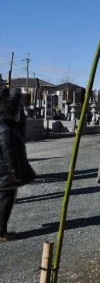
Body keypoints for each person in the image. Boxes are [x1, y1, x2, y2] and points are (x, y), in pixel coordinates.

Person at [0, 90, 36, 242]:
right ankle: (1, 232)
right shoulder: (5, 130)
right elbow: (9, 154)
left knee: (4, 200)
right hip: (5, 173)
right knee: (5, 202)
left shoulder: (6, 126)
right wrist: (16, 174)